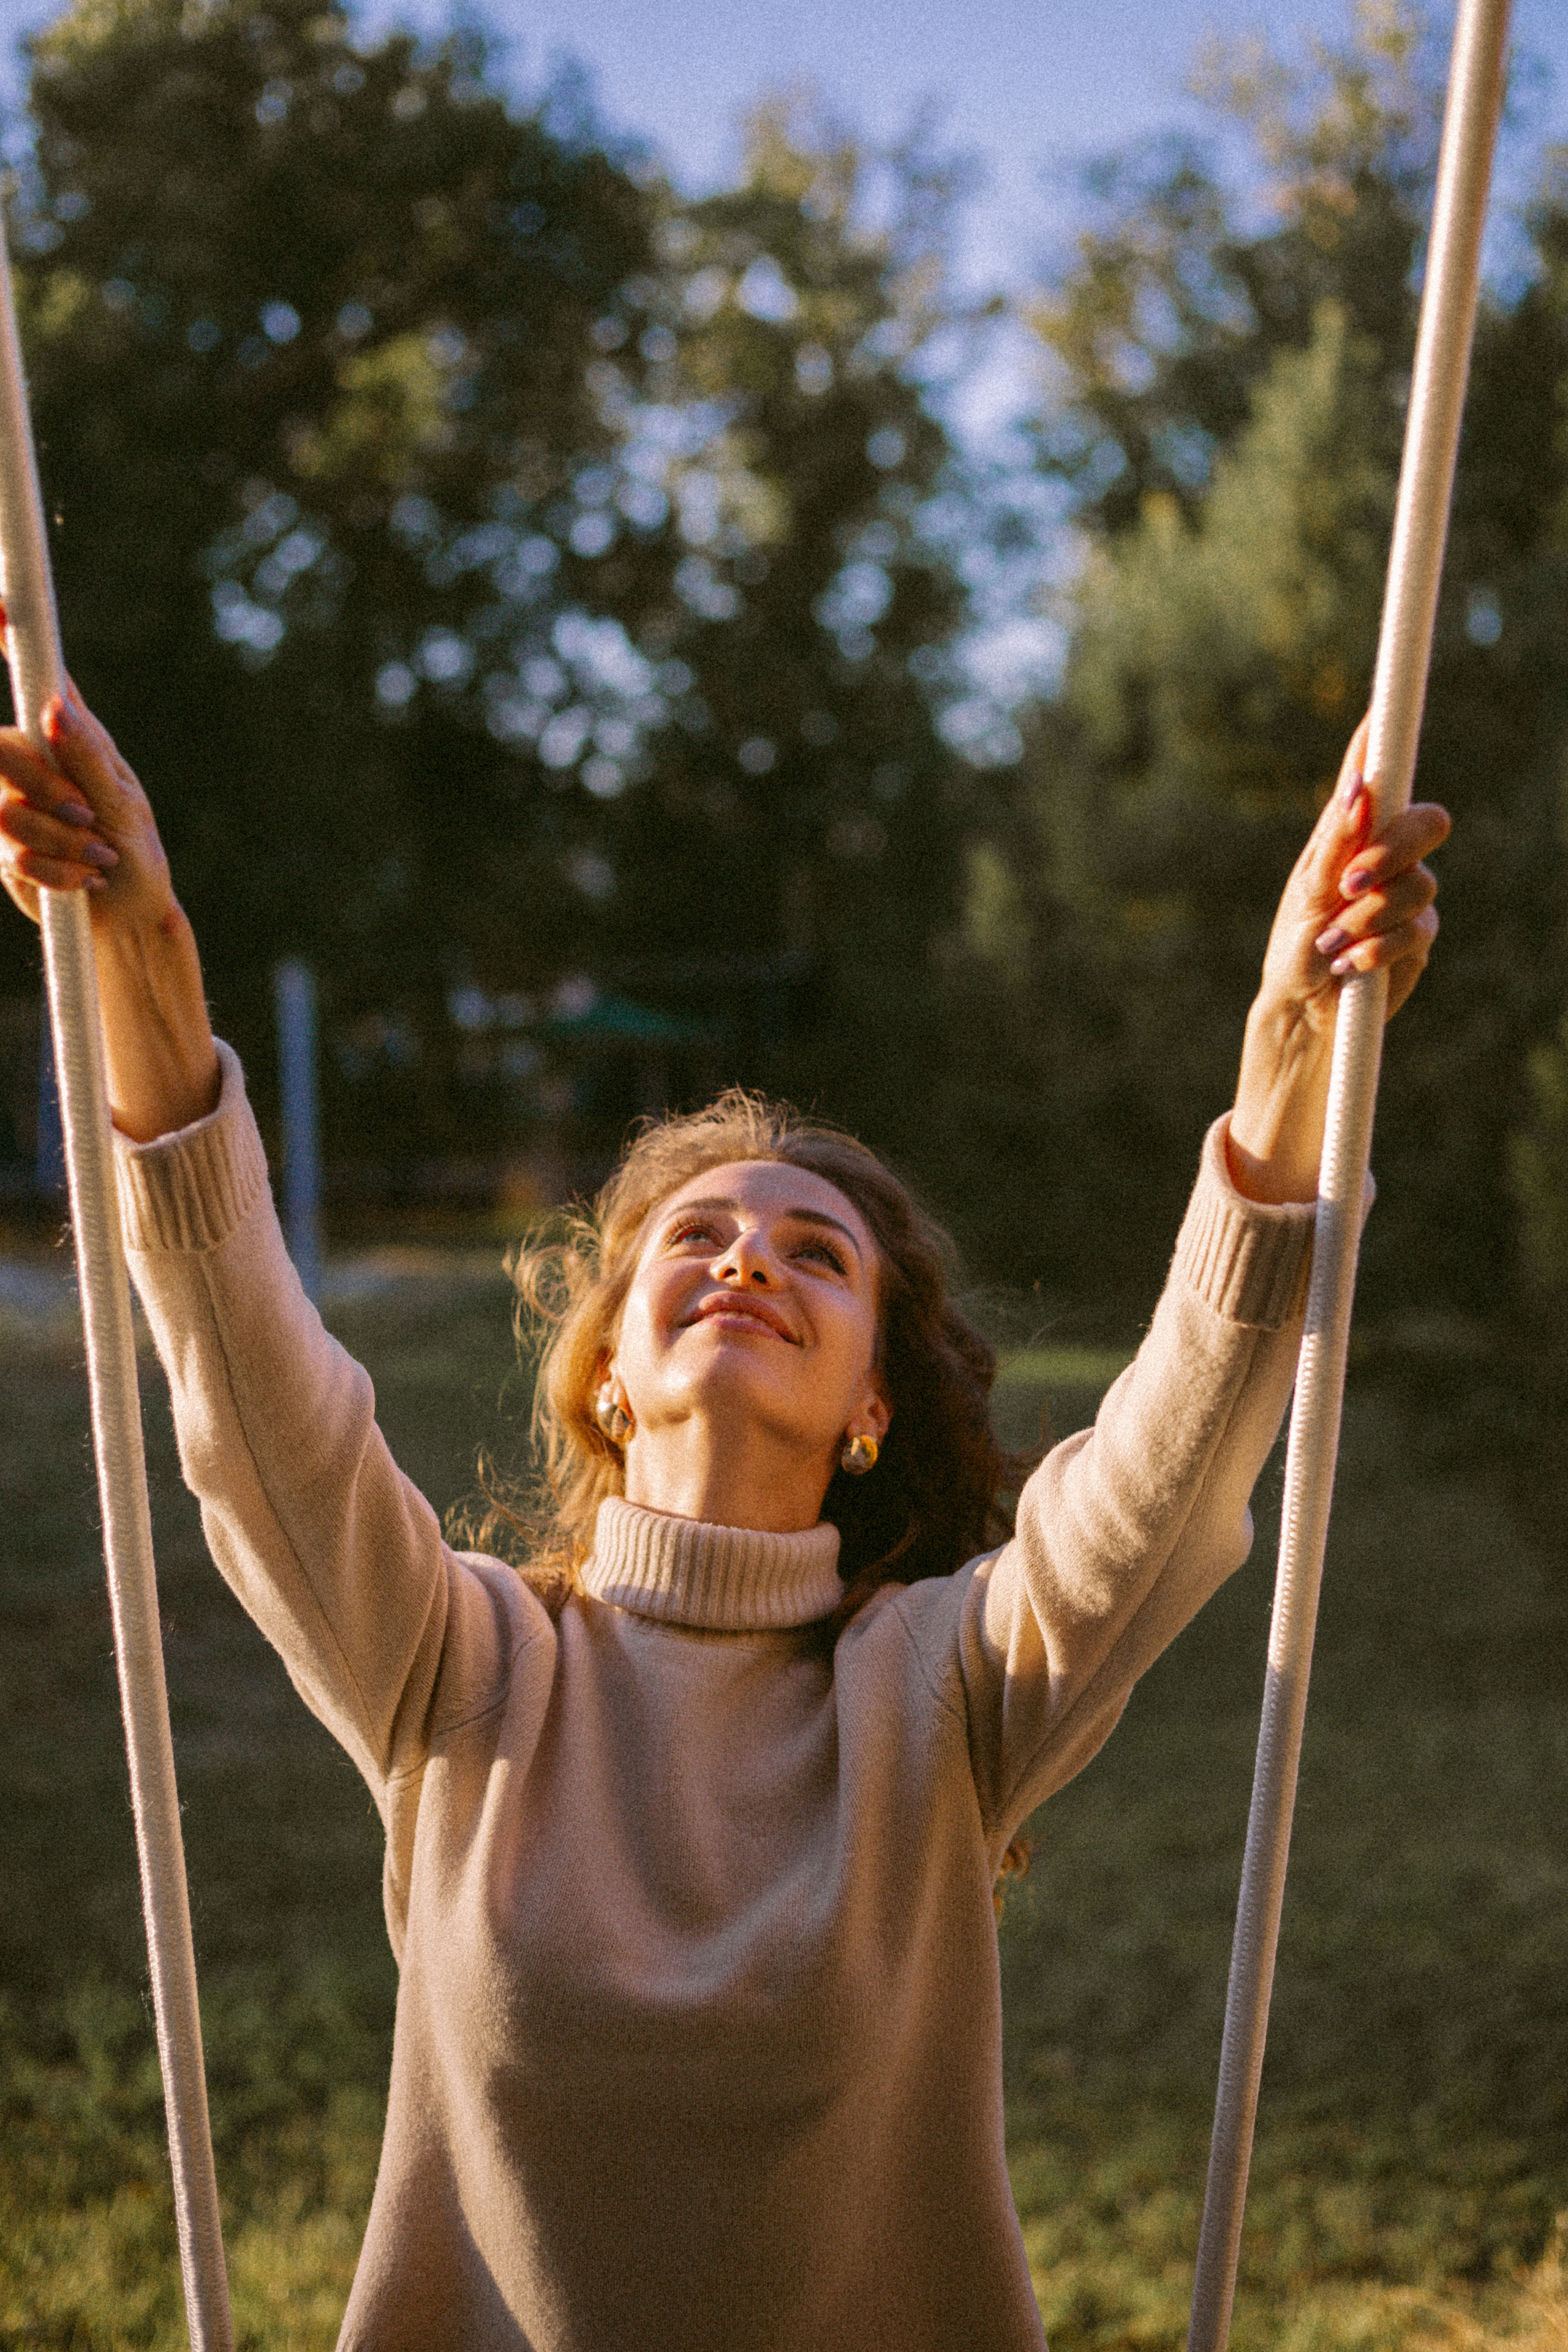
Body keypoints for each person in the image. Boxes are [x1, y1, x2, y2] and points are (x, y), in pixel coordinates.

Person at [0, 685, 1446, 2352]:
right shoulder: (465, 1669)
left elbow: (1170, 1467)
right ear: (609, 1368)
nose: (750, 1255)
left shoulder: (943, 1688)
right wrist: (141, 953)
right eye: (697, 1236)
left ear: (873, 1401)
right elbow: (257, 1394)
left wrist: (1291, 1043)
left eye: (816, 1253)